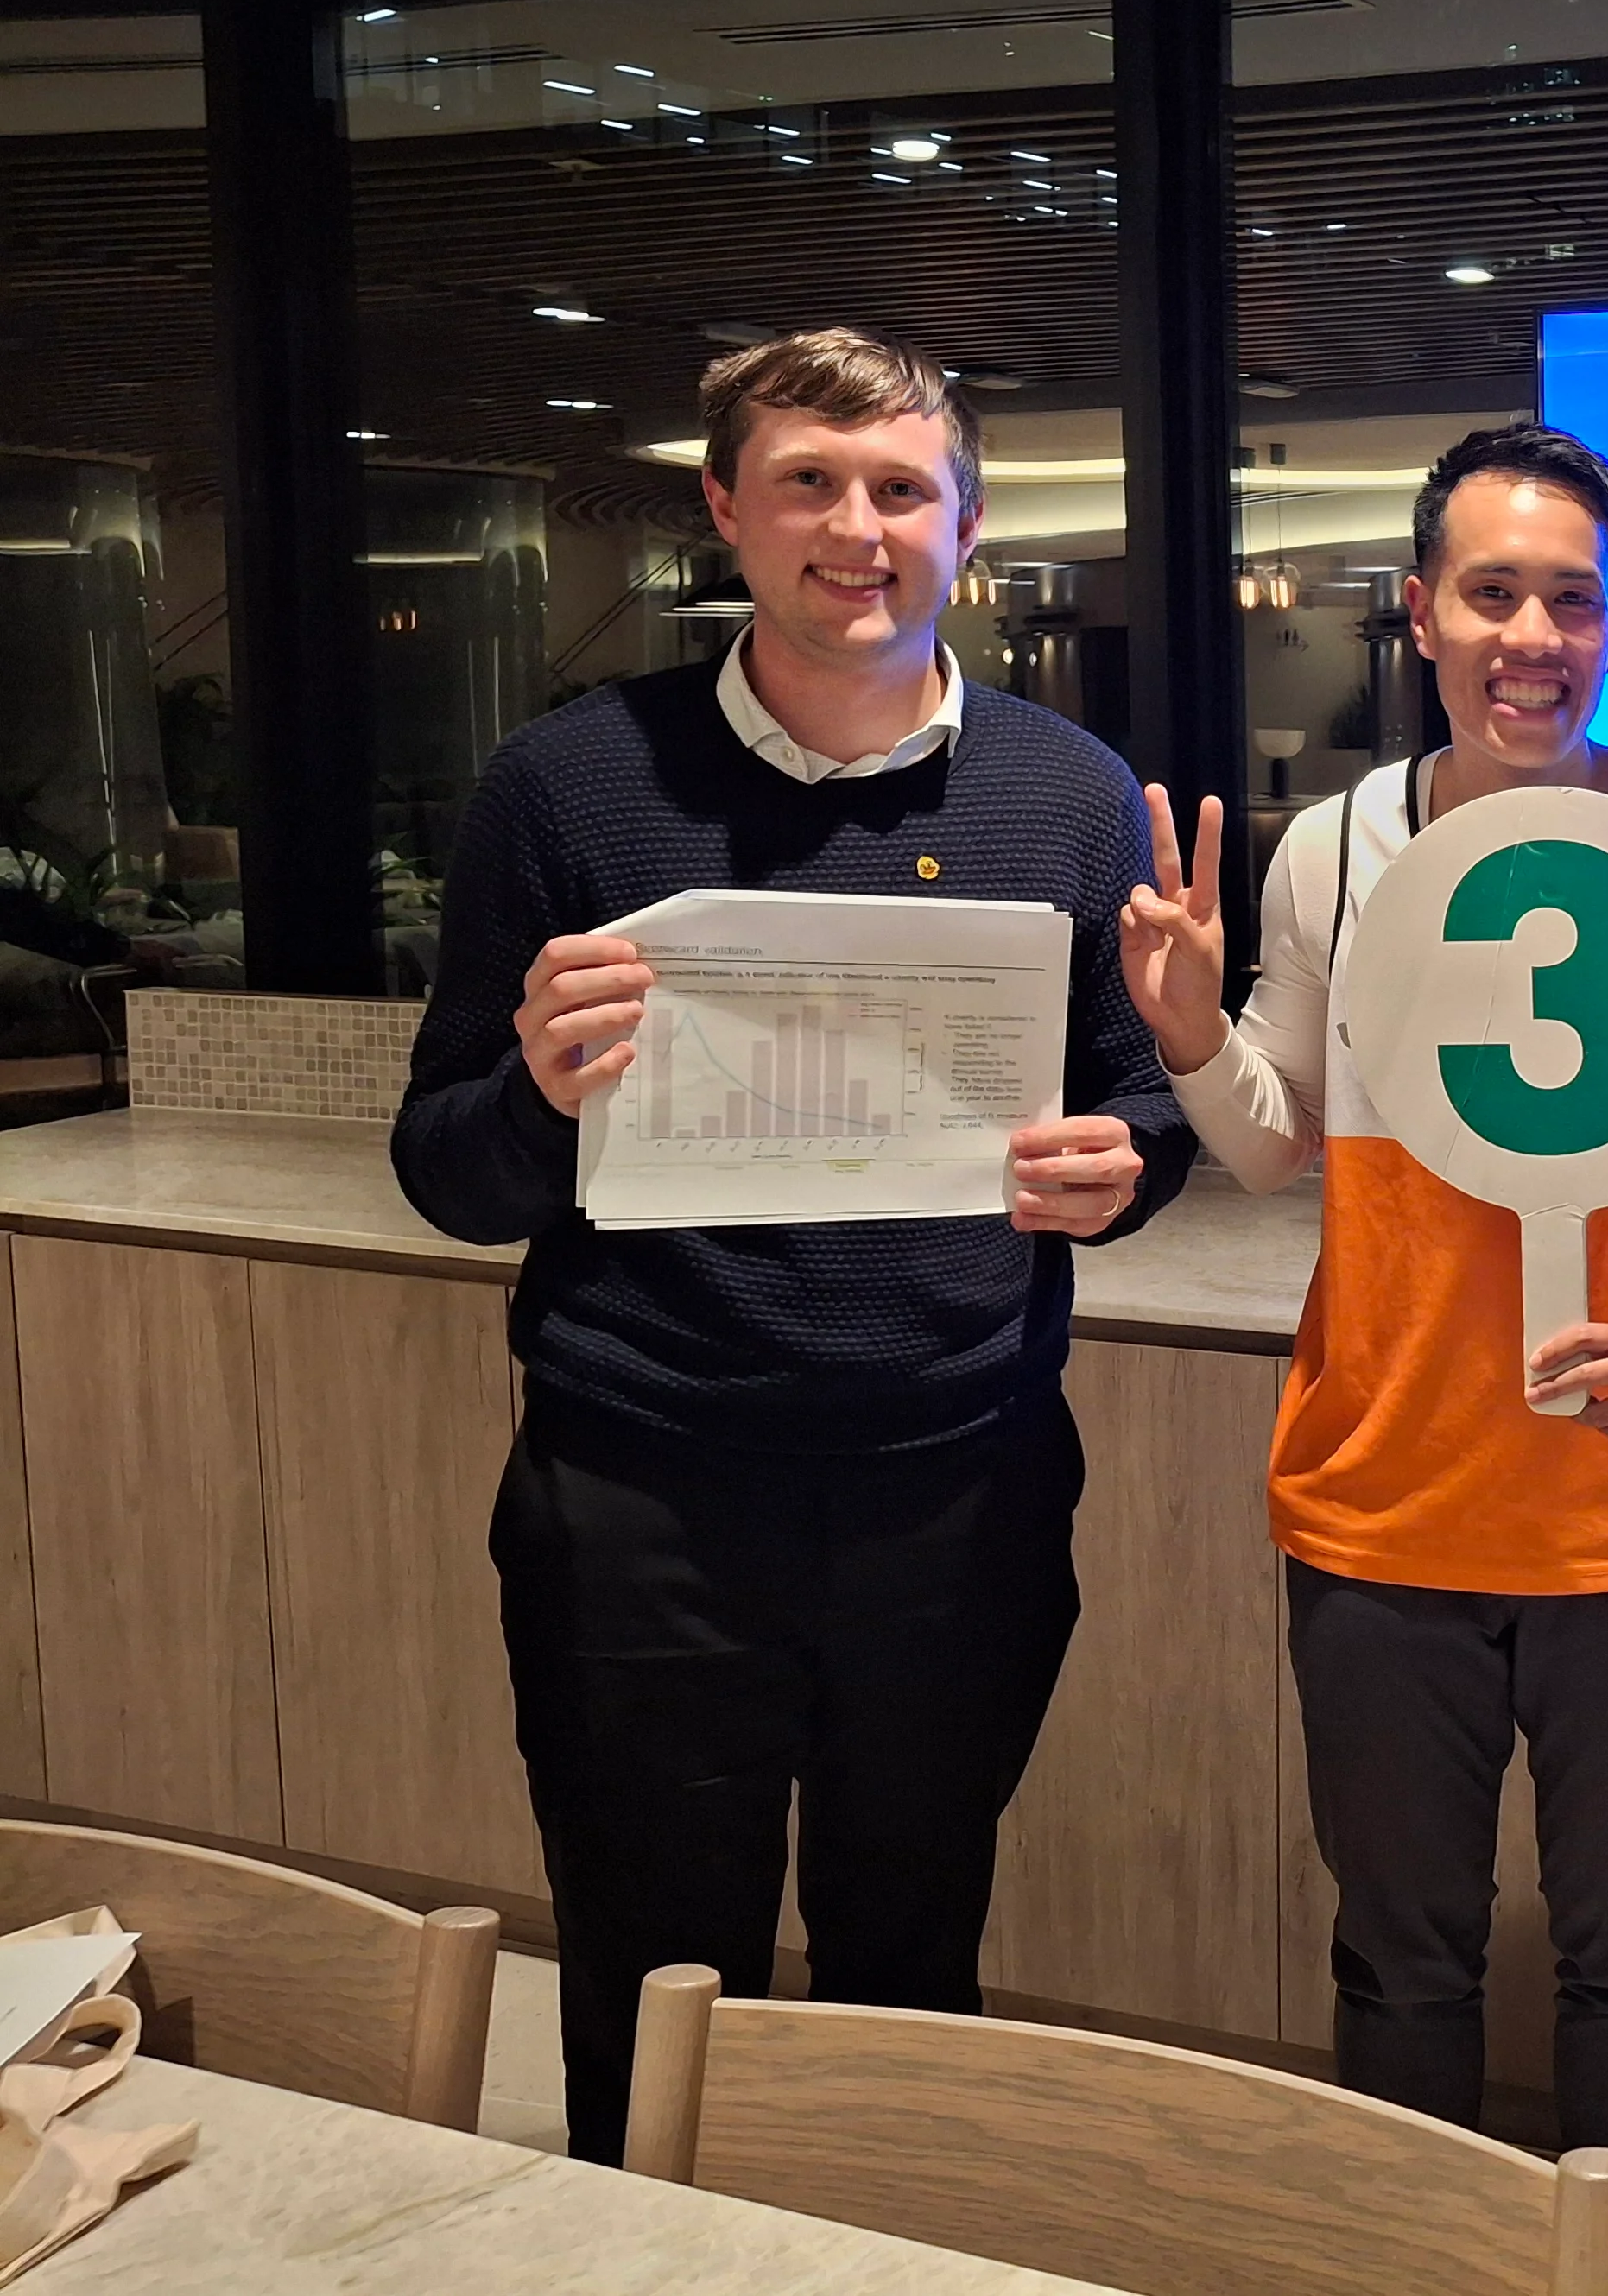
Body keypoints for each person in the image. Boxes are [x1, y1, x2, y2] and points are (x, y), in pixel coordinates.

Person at [392, 328, 1189, 2162]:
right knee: (654, 1979)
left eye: (902, 487)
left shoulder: (1066, 796)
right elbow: (446, 1171)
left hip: (961, 1494)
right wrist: (534, 1092)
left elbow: (1133, 1110)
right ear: (725, 514)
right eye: (812, 484)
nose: (859, 526)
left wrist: (1120, 1169)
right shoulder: (568, 788)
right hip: (644, 1496)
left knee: (915, 1969)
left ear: (967, 523)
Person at [1118, 421, 1608, 2293]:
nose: (1534, 634)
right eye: (1492, 592)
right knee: (1401, 1961)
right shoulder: (1336, 850)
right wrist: (1201, 1036)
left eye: (1573, 599)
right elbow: (1277, 1142)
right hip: (1383, 1500)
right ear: (1418, 610)